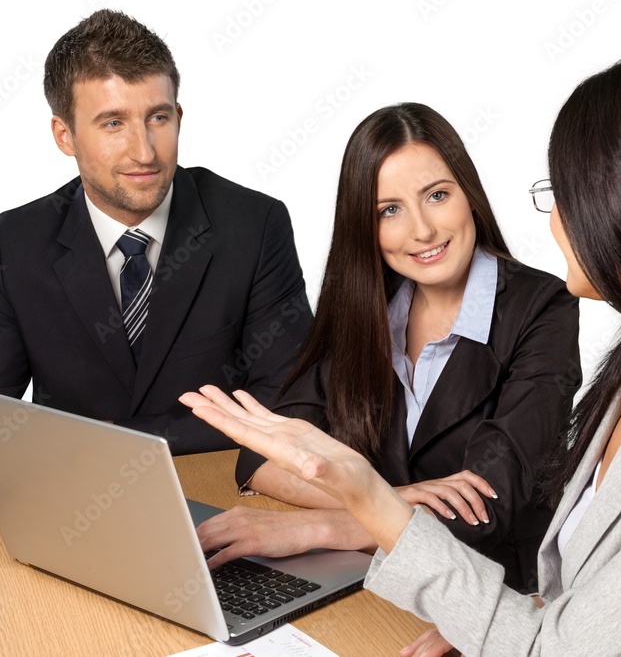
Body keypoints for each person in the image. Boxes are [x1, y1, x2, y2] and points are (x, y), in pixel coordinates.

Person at [181, 49, 621, 655]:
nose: (552, 215)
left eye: (566, 190)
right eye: (388, 210)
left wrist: (364, 498)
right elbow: (609, 586)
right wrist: (500, 613)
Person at [0, 10, 311, 579]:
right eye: (112, 123)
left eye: (158, 117)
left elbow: (291, 393)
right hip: (72, 522)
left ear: (178, 115)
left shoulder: (254, 224)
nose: (145, 151)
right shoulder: (19, 240)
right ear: (64, 135)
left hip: (228, 507)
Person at [196, 103, 580, 592]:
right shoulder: (369, 309)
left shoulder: (545, 308)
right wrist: (391, 497)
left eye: (437, 195)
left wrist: (322, 525)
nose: (421, 230)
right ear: (366, 227)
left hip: (493, 590)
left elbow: (487, 507)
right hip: (378, 579)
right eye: (389, 210)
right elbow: (262, 461)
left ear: (470, 196)